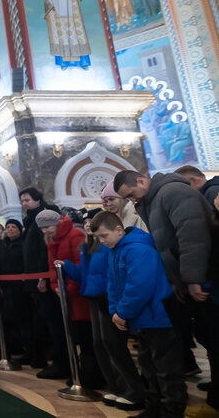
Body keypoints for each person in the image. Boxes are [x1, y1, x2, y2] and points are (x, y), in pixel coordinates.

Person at [115, 170, 219, 417]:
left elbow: (192, 237)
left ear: (141, 180)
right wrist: (177, 281)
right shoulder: (153, 199)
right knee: (206, 337)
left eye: (131, 194)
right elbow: (167, 246)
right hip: (187, 281)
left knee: (213, 339)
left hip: (205, 280)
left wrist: (193, 279)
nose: (132, 201)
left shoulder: (172, 192)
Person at [92, 211, 187, 418]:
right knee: (148, 367)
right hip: (141, 318)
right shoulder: (115, 250)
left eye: (104, 236)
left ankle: (172, 412)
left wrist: (123, 312)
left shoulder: (139, 249)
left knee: (166, 370)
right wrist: (115, 312)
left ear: (119, 229)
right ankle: (153, 409)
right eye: (98, 238)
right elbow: (113, 285)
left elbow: (140, 286)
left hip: (157, 317)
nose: (101, 241)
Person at [58, 212, 145, 411]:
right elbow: (87, 275)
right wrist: (68, 266)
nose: (88, 225)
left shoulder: (107, 247)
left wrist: (115, 301)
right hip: (94, 297)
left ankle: (131, 389)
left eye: (91, 222)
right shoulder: (88, 246)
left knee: (114, 344)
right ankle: (114, 386)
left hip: (108, 298)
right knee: (100, 343)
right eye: (86, 222)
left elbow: (112, 275)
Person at [36, 209, 100, 386]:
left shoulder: (74, 235)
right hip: (65, 296)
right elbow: (52, 267)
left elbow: (80, 265)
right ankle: (81, 373)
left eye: (47, 227)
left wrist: (68, 288)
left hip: (79, 294)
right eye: (42, 229)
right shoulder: (51, 239)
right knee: (77, 335)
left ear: (56, 223)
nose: (45, 231)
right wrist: (56, 287)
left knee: (87, 338)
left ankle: (92, 377)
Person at [19, 187, 60, 373]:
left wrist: (42, 276)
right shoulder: (30, 220)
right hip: (33, 277)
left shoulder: (45, 217)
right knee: (37, 320)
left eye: (26, 200)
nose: (24, 204)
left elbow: (46, 250)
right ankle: (38, 355)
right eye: (22, 201)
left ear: (37, 199)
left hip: (42, 276)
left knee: (50, 320)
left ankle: (56, 360)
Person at [0, 218, 27, 360]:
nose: (9, 229)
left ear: (19, 229)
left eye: (13, 226)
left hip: (21, 287)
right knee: (9, 318)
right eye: (7, 227)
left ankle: (26, 349)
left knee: (23, 318)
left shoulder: (23, 244)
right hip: (7, 288)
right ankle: (14, 348)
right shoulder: (3, 246)